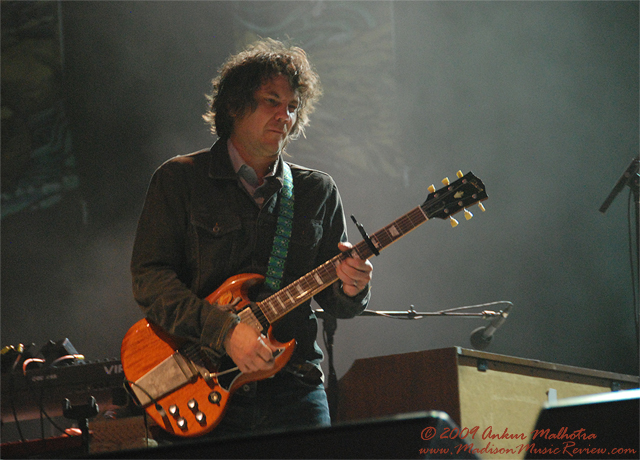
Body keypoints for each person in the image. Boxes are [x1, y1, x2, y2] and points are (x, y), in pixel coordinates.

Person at [130, 38, 373, 438]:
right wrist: (224, 332)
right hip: (200, 383)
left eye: (293, 106)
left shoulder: (318, 191)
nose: (285, 115)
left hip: (294, 389)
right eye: (271, 101)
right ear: (233, 105)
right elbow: (150, 281)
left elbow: (336, 305)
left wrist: (352, 287)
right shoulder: (179, 179)